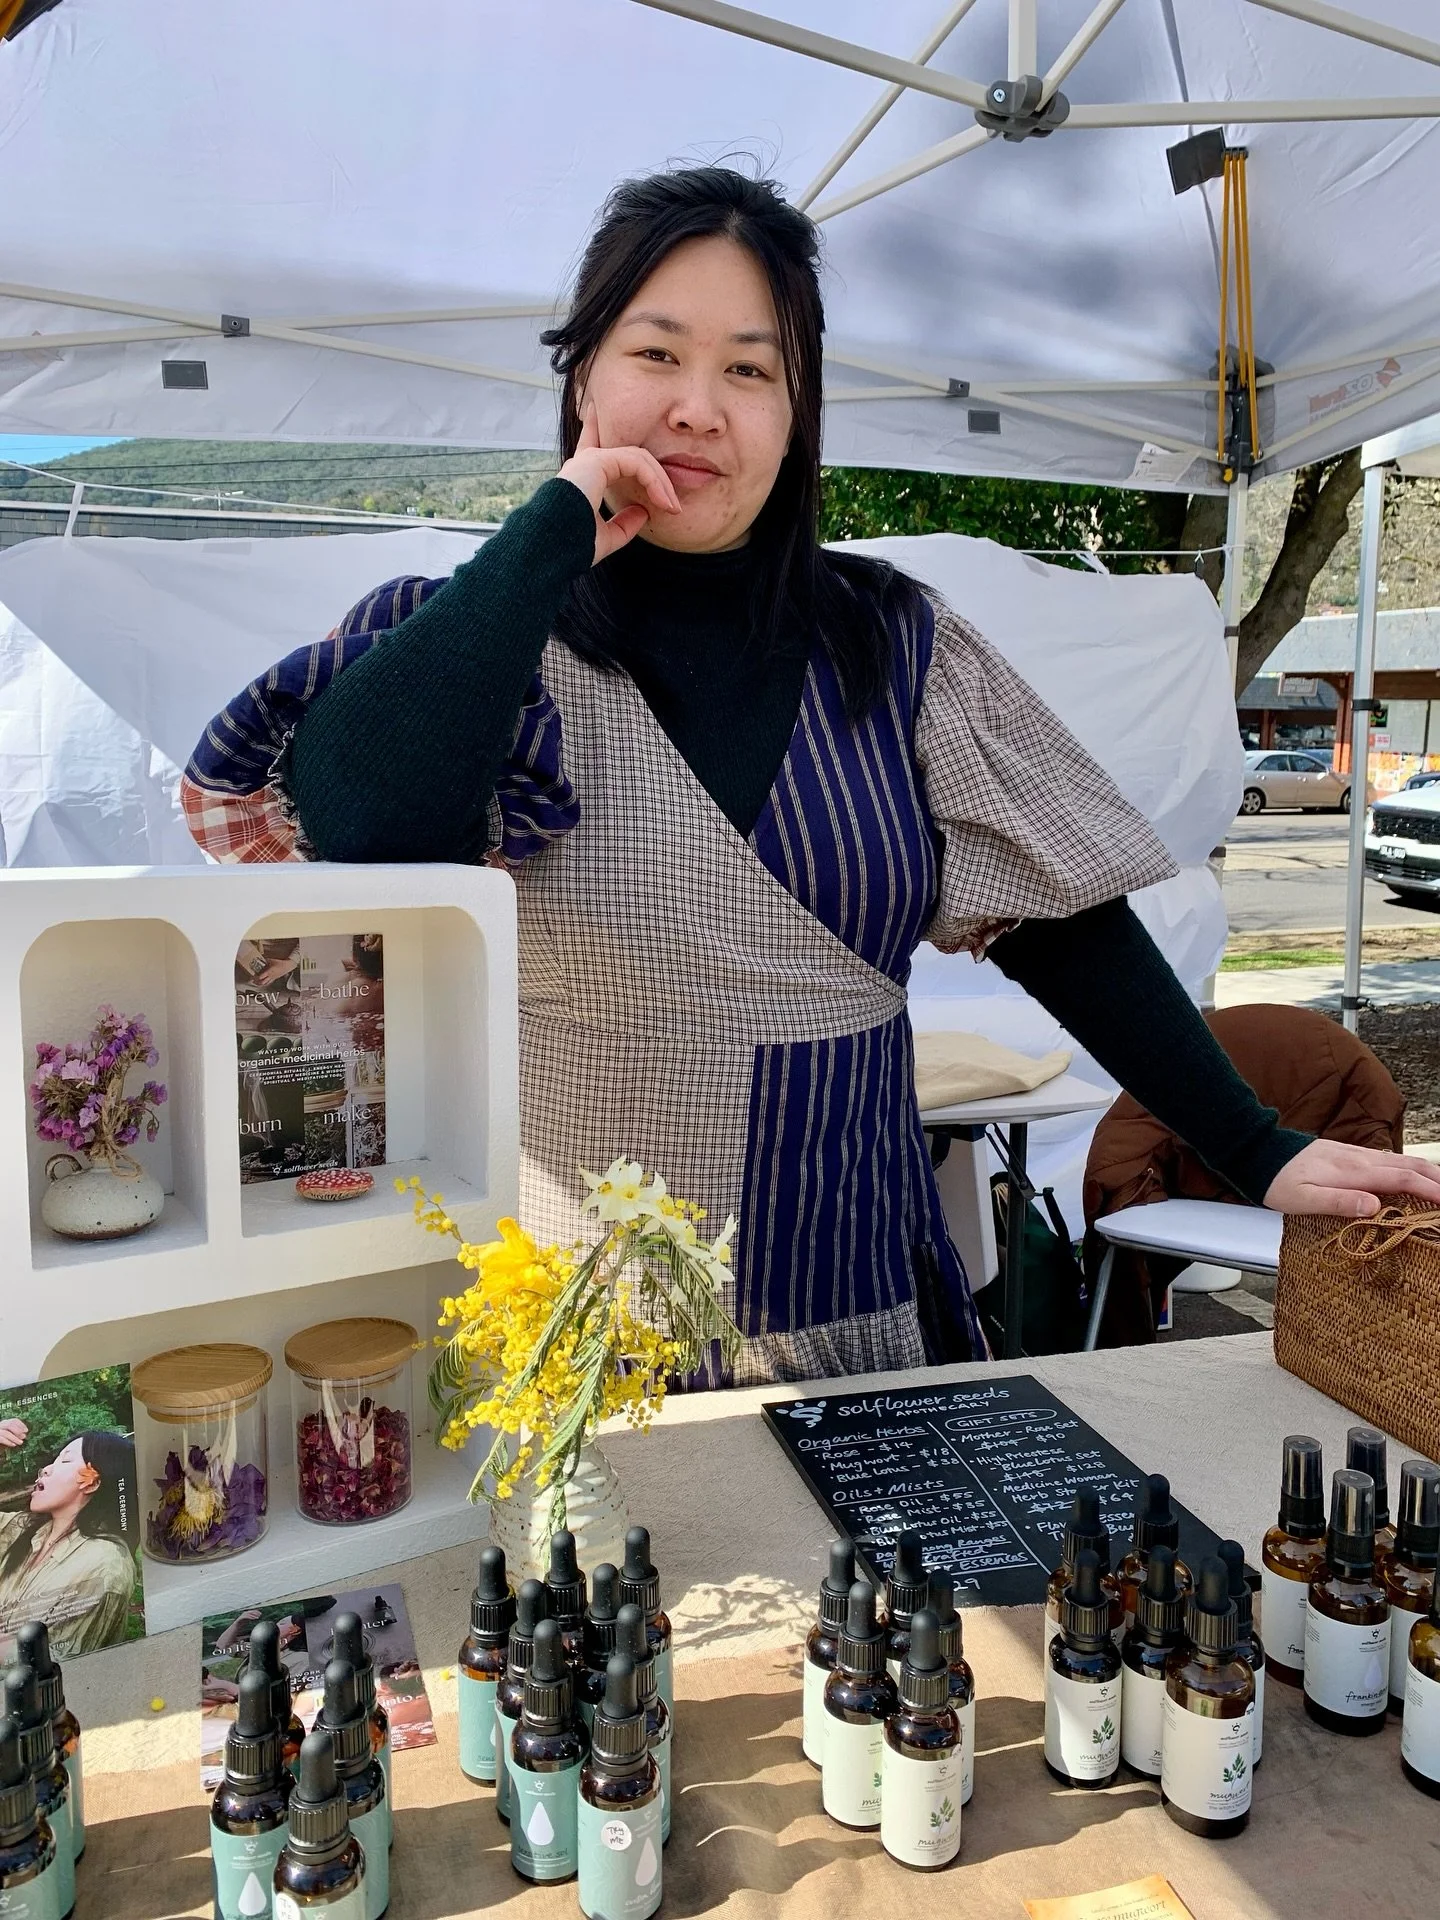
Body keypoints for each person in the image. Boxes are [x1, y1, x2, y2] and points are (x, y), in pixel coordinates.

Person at [183, 167, 1440, 1383]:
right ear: (581, 376)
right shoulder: (473, 635)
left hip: (844, 1285)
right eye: (656, 354)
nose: (698, 406)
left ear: (798, 416)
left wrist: (1256, 1145)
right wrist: (555, 530)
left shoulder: (893, 641)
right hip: (565, 1307)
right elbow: (362, 824)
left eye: (751, 369)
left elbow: (1064, 924)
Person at [0, 1422, 136, 1656]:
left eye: (64, 1460)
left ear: (91, 1481)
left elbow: (59, 1660)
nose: (45, 1469)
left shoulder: (105, 1566)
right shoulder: (22, 1529)